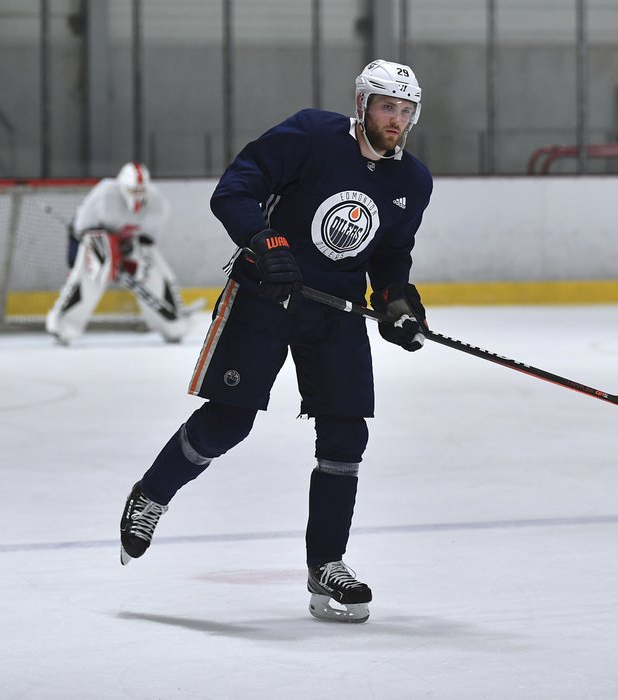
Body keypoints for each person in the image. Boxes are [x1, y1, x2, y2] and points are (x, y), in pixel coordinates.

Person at [117, 59, 433, 624]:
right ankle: (152, 495)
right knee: (229, 420)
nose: (397, 120)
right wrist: (266, 241)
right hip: (266, 296)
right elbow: (234, 190)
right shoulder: (312, 135)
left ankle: (326, 567)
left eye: (406, 111)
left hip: (334, 312)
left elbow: (390, 254)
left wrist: (396, 300)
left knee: (345, 431)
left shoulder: (412, 180)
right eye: (388, 107)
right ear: (363, 105)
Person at [46, 162, 191, 344]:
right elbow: (81, 232)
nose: (137, 196)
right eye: (132, 191)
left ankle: (172, 324)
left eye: (140, 191)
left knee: (150, 268)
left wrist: (128, 258)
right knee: (97, 269)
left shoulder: (157, 204)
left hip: (131, 243)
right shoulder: (105, 194)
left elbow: (147, 241)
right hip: (99, 239)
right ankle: (63, 325)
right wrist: (78, 261)